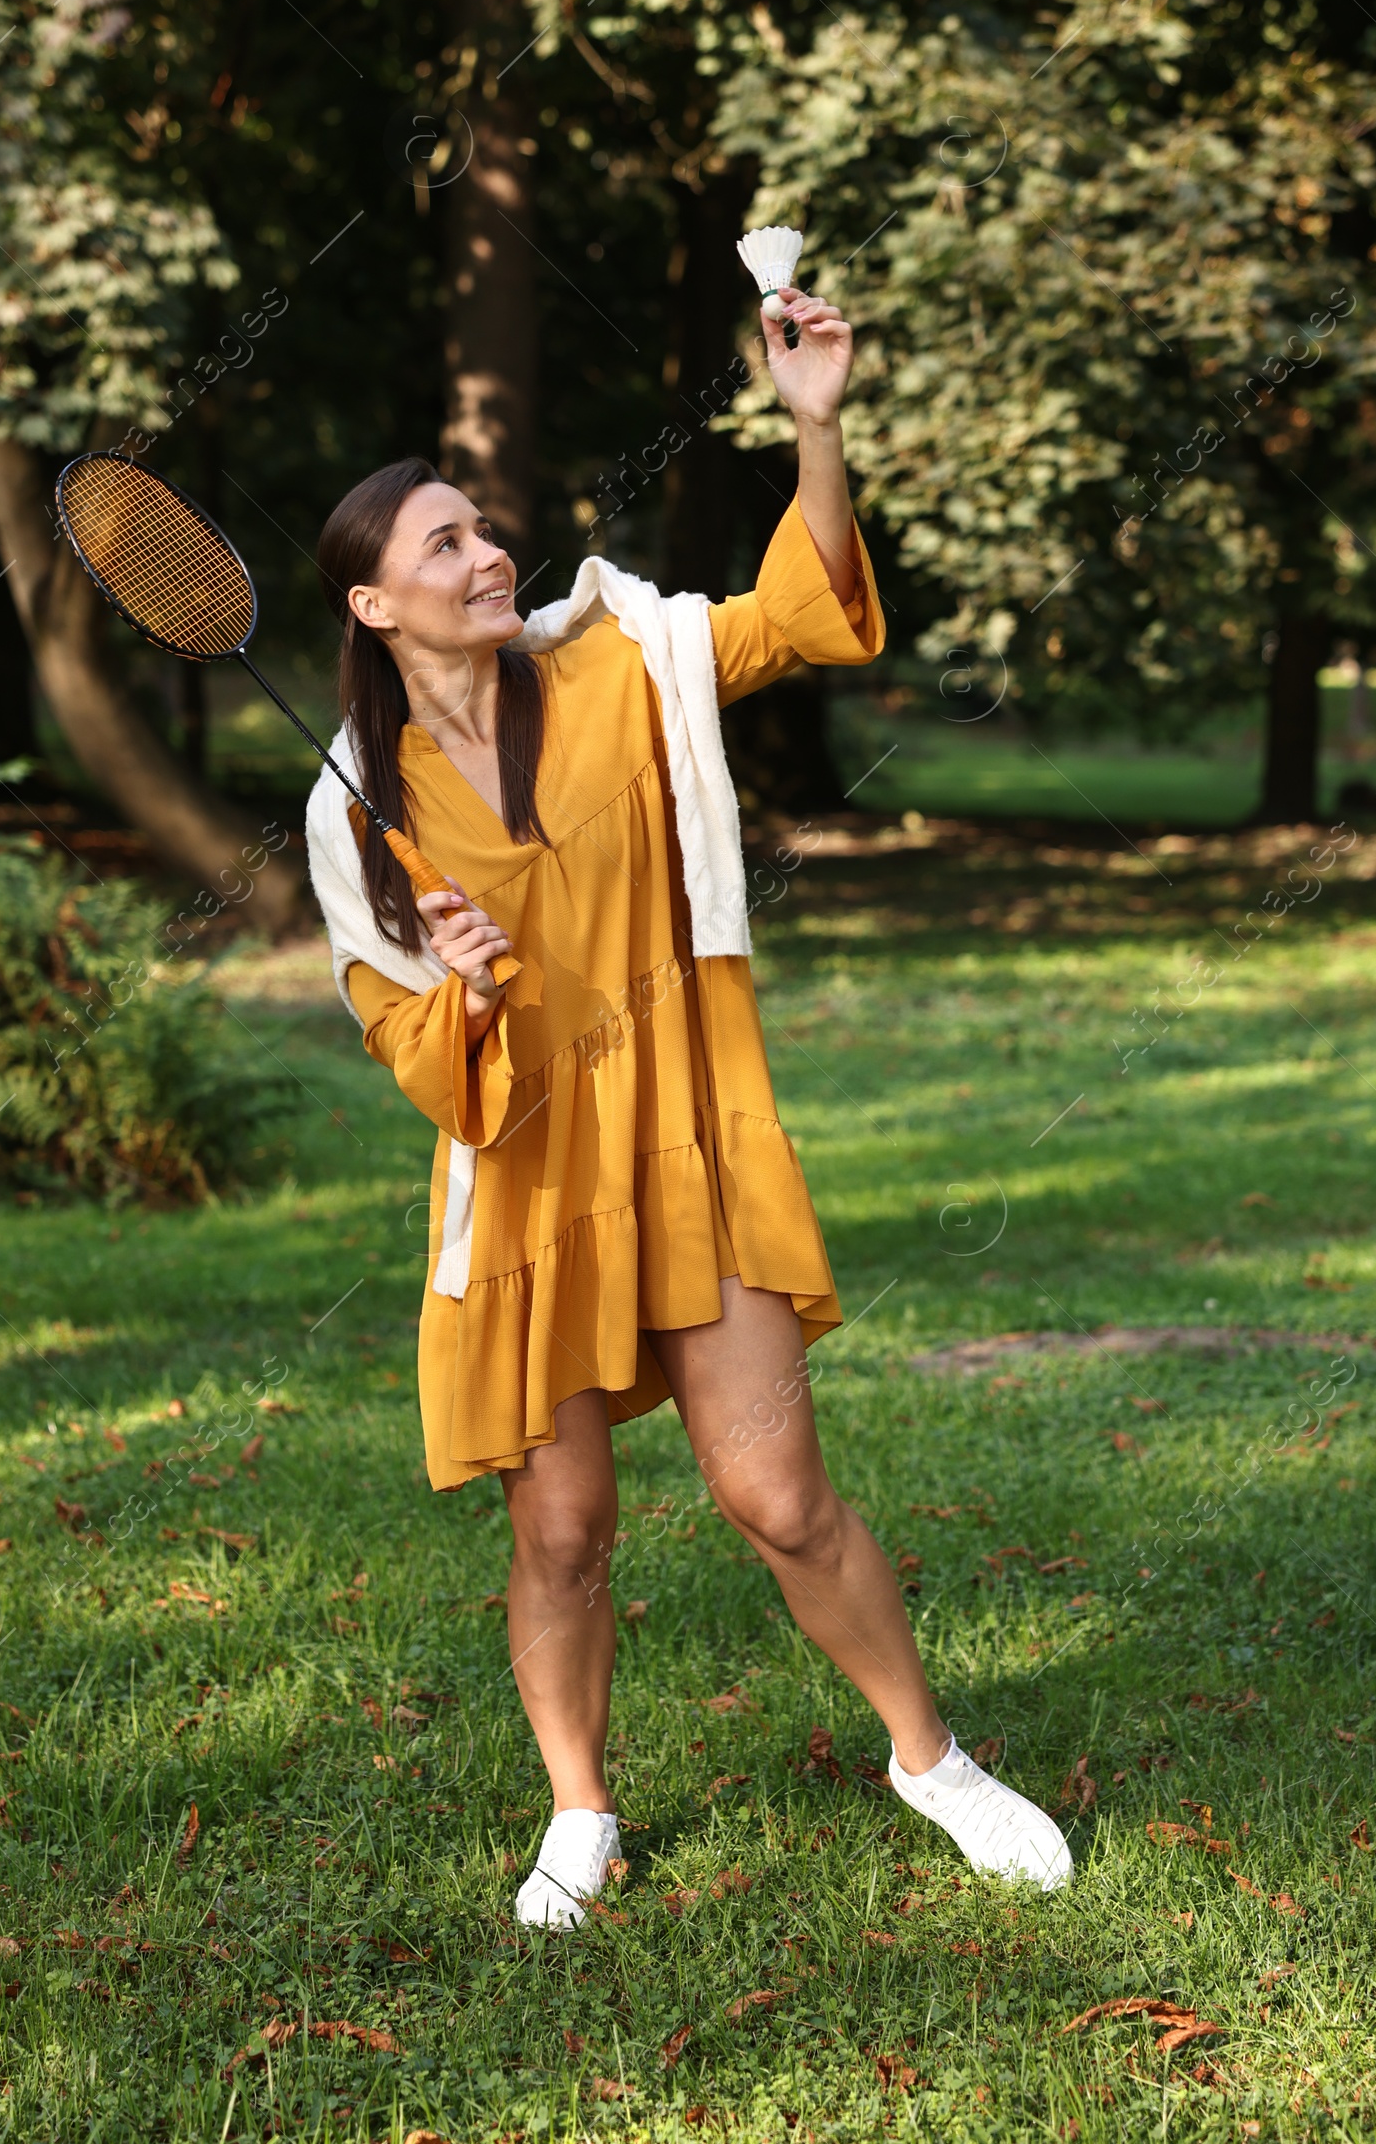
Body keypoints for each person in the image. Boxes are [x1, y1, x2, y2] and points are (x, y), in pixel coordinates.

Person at [310, 284, 1072, 1924]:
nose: (487, 553)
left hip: (684, 1137)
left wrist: (815, 420)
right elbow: (411, 1053)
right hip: (526, 1188)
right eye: (444, 546)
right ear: (377, 606)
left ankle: (930, 1759)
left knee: (778, 1494)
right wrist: (467, 987)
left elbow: (803, 616)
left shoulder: (630, 662)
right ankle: (580, 1815)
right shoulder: (356, 813)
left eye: (483, 529)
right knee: (564, 1532)